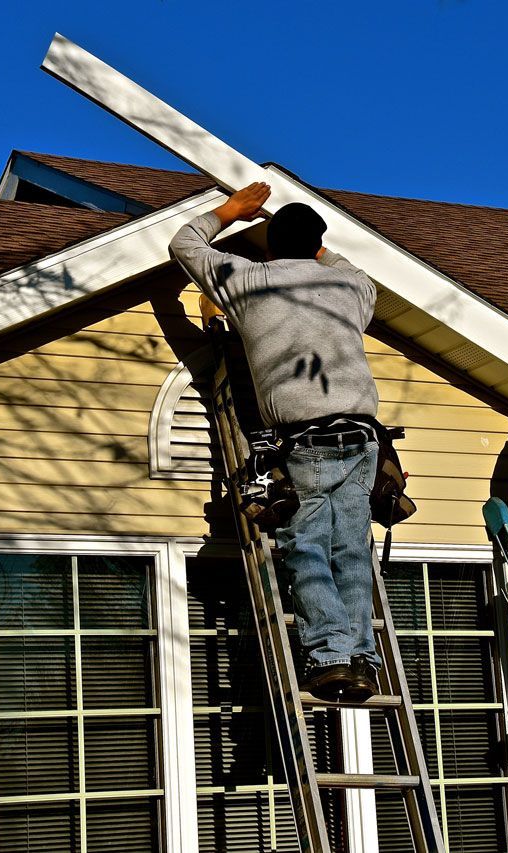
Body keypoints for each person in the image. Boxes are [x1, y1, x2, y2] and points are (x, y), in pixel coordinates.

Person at [170, 182, 381, 702]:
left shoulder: (250, 282)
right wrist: (316, 247)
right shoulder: (351, 289)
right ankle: (359, 657)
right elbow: (350, 269)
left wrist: (230, 212)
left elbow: (184, 246)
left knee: (307, 546)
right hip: (362, 438)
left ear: (268, 245)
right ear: (316, 246)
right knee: (350, 549)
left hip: (305, 437)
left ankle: (331, 657)